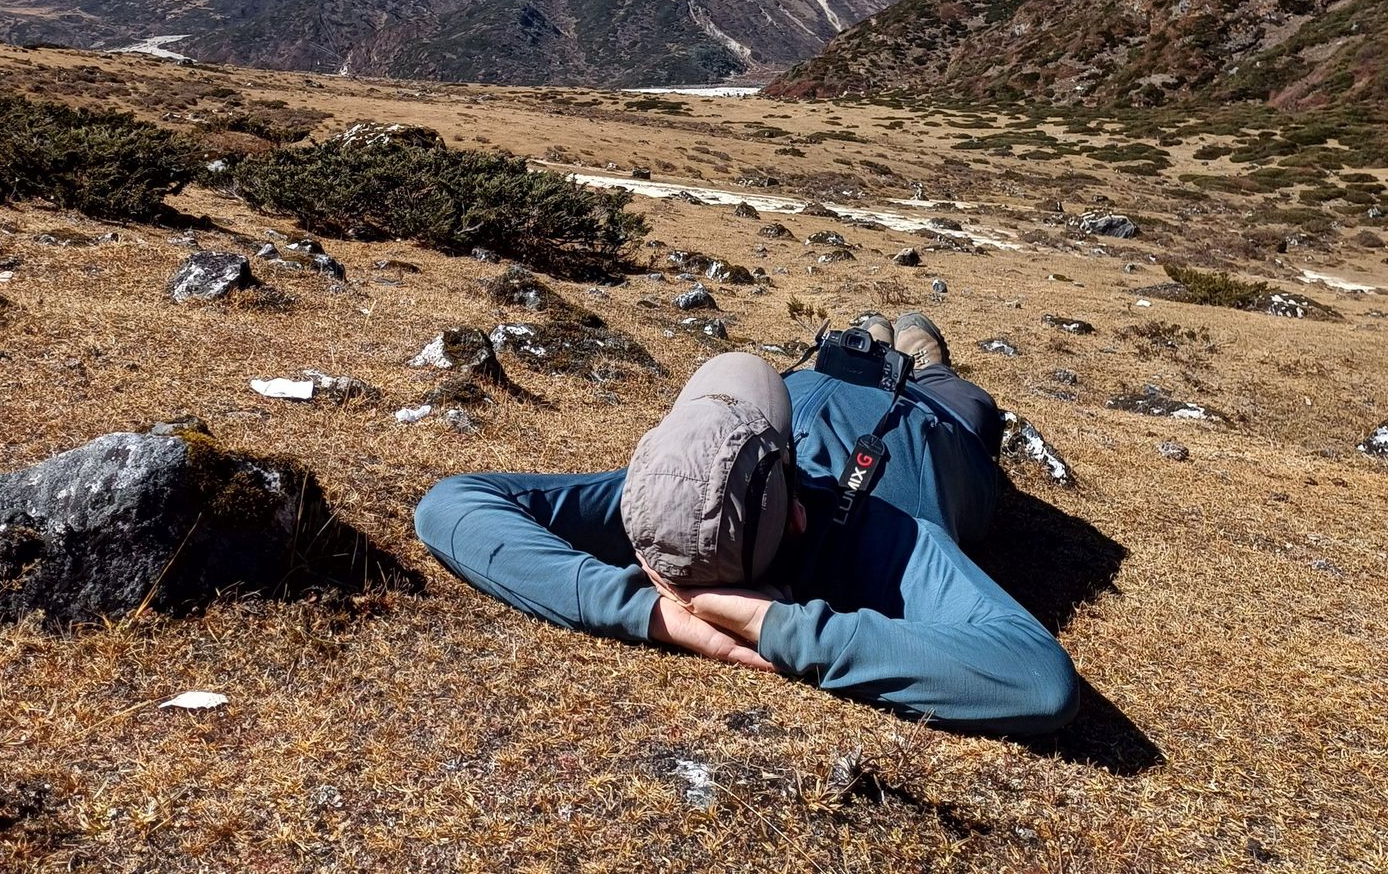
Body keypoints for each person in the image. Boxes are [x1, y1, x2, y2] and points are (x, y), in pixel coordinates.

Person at [413, 311, 1079, 735]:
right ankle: (920, 357)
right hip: (935, 427)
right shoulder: (891, 540)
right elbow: (1037, 680)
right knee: (954, 391)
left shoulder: (657, 505)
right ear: (795, 511)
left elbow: (448, 503)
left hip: (817, 384)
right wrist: (771, 625)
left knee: (844, 349)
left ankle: (868, 339)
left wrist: (649, 610)